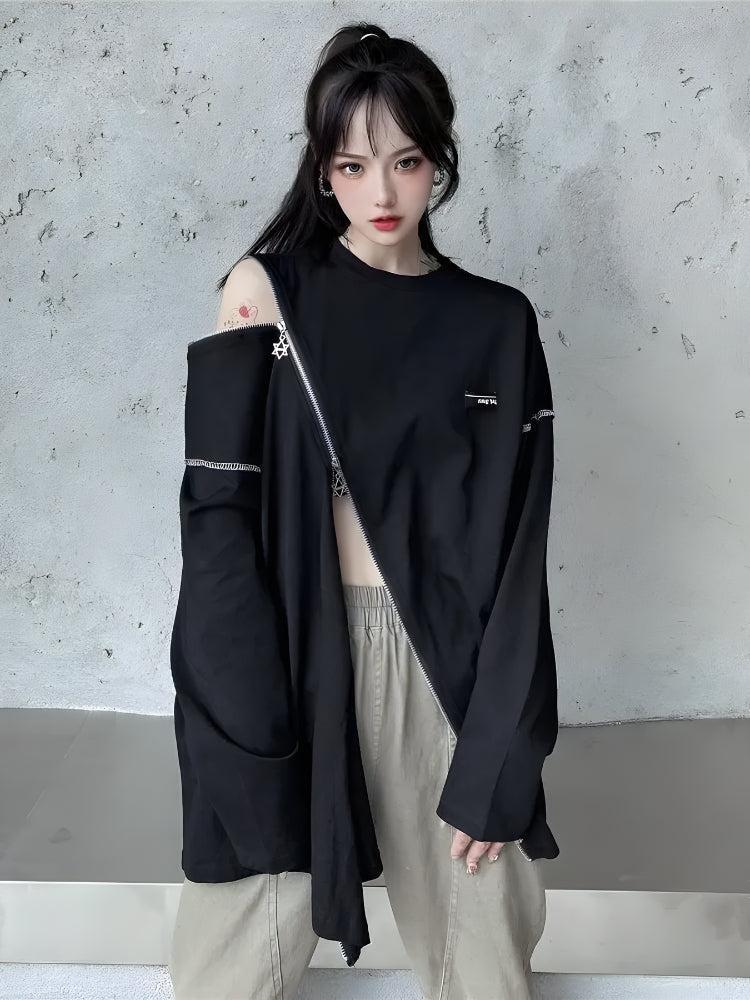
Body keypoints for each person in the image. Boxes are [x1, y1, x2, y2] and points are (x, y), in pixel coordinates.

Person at [168, 20, 559, 1000]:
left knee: (486, 960)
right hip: (286, 658)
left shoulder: (496, 323)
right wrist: (238, 716)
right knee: (229, 968)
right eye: (352, 165)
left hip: (446, 675)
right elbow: (215, 517)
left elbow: (520, 555)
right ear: (323, 171)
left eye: (406, 161)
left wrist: (502, 750)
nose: (381, 193)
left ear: (439, 162)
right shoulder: (266, 294)